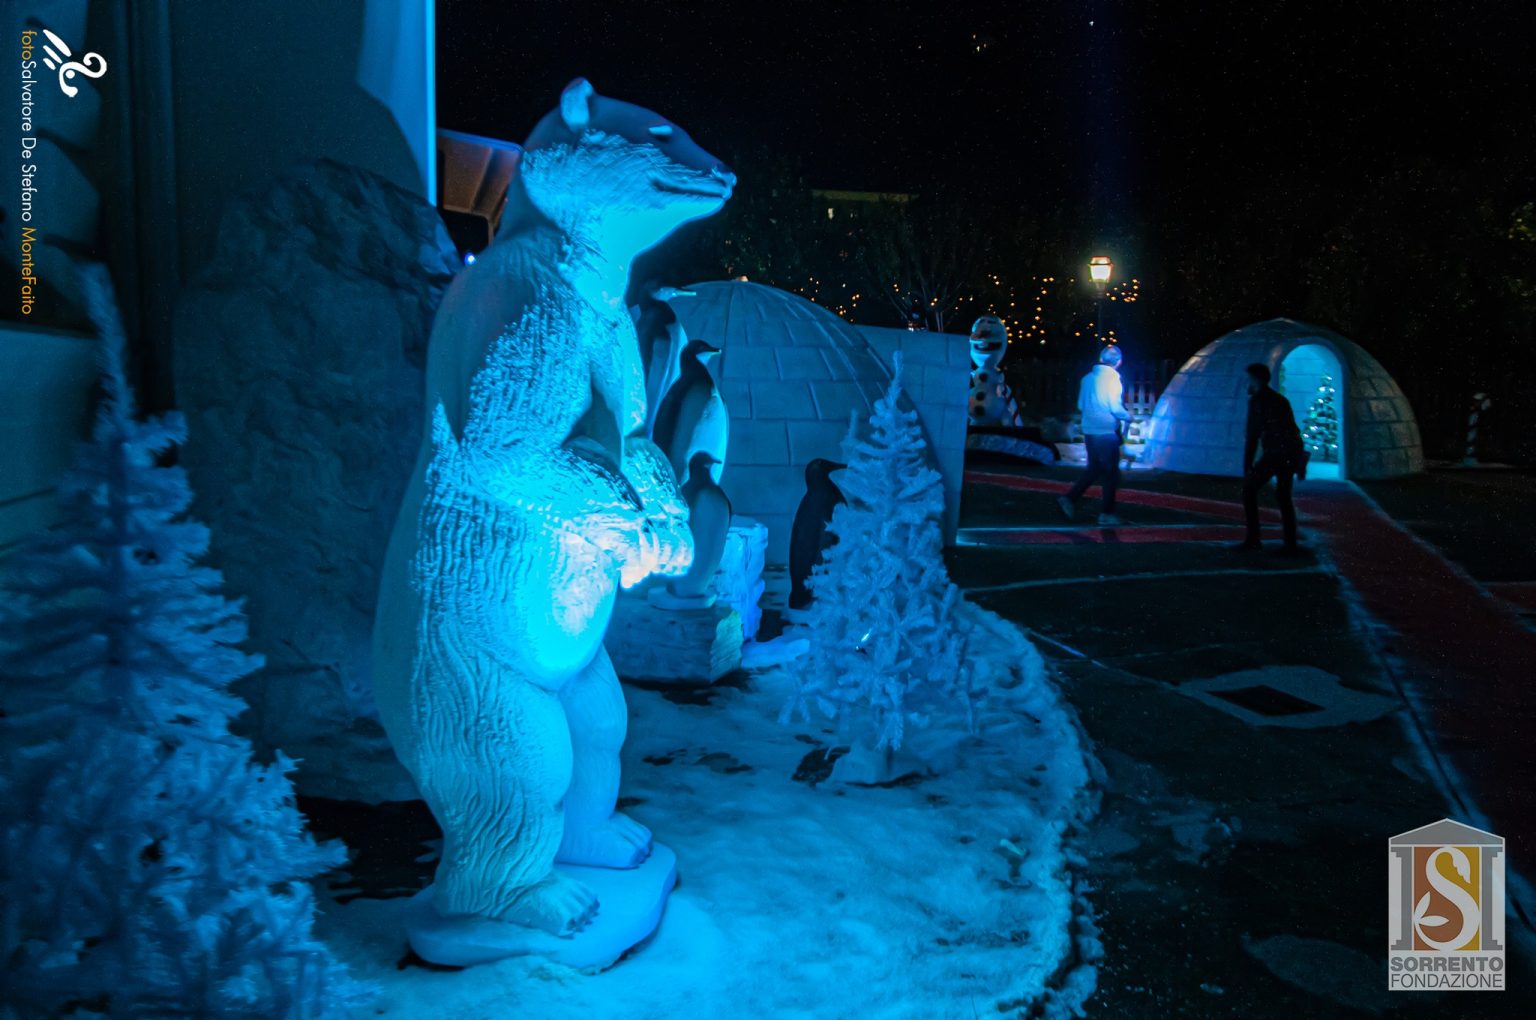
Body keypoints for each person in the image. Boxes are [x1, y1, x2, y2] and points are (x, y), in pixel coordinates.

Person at [1058, 345, 1134, 525]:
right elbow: (1114, 407)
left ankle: (1070, 498)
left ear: (1101, 359)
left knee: (1094, 468)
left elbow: (1081, 405)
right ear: (1119, 362)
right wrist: (1127, 416)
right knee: (1110, 474)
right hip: (1106, 432)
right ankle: (1107, 513)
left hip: (1090, 430)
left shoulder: (1087, 379)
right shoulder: (1114, 380)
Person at [1237, 362, 1304, 553]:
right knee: (1284, 496)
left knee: (1249, 490)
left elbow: (1252, 436)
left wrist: (1247, 467)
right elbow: (1292, 429)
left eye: (1249, 379)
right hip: (1289, 451)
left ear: (1257, 380)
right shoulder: (1280, 400)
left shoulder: (1258, 402)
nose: (1247, 384)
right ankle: (1290, 543)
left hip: (1276, 453)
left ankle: (1253, 539)